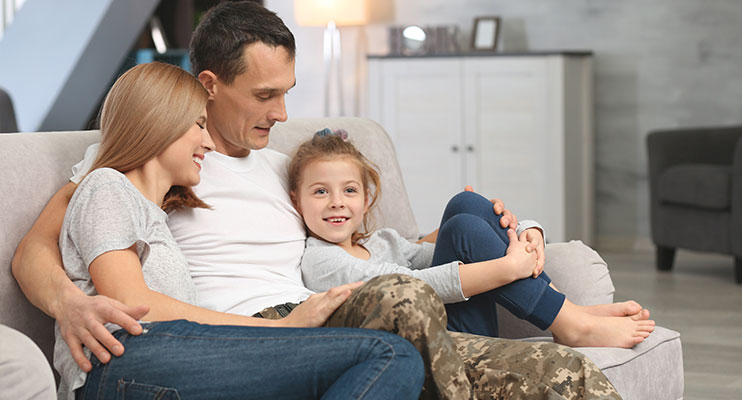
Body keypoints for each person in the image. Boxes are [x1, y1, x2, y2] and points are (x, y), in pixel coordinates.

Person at [13, 2, 622, 399]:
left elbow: (373, 245)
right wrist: (68, 302)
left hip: (320, 311)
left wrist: (511, 224)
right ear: (208, 88)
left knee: (566, 376)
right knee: (400, 304)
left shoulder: (287, 168)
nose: (283, 114)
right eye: (265, 95)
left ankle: (562, 327)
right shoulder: (140, 162)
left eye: (288, 93)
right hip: (243, 332)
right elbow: (39, 249)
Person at [53, 61, 426, 399]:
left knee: (384, 357)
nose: (208, 141)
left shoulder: (157, 216)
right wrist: (285, 327)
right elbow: (134, 302)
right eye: (199, 125)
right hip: (121, 360)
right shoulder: (106, 185)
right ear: (159, 122)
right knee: (388, 354)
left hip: (166, 356)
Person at [290, 130, 656, 348]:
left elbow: (457, 244)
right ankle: (571, 322)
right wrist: (508, 266)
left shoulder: (381, 241)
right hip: (433, 346)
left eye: (348, 190)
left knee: (465, 206)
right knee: (463, 228)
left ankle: (566, 312)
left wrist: (528, 228)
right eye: (320, 192)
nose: (336, 201)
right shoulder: (319, 261)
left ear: (366, 198)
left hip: (452, 327)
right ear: (296, 200)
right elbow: (412, 285)